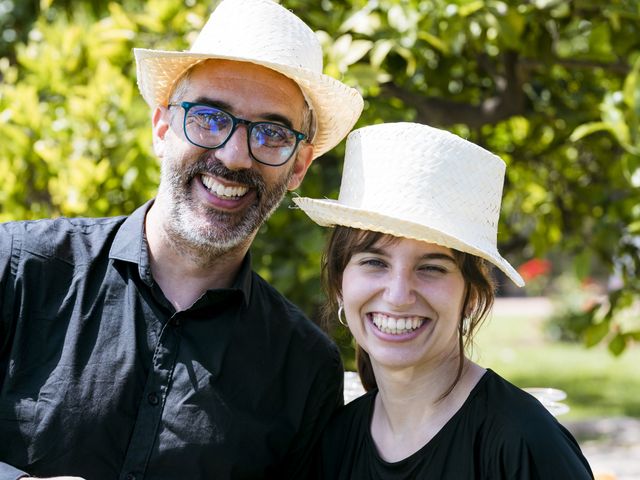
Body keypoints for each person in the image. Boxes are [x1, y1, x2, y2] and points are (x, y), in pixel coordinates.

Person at [0, 0, 363, 479]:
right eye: (210, 117)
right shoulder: (17, 269)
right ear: (162, 126)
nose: (235, 157)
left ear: (299, 166)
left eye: (272, 133)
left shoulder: (304, 368)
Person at [294, 122, 594, 479]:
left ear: (471, 295)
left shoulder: (523, 442)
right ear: (341, 282)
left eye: (432, 268)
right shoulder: (335, 443)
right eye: (375, 262)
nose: (399, 295)